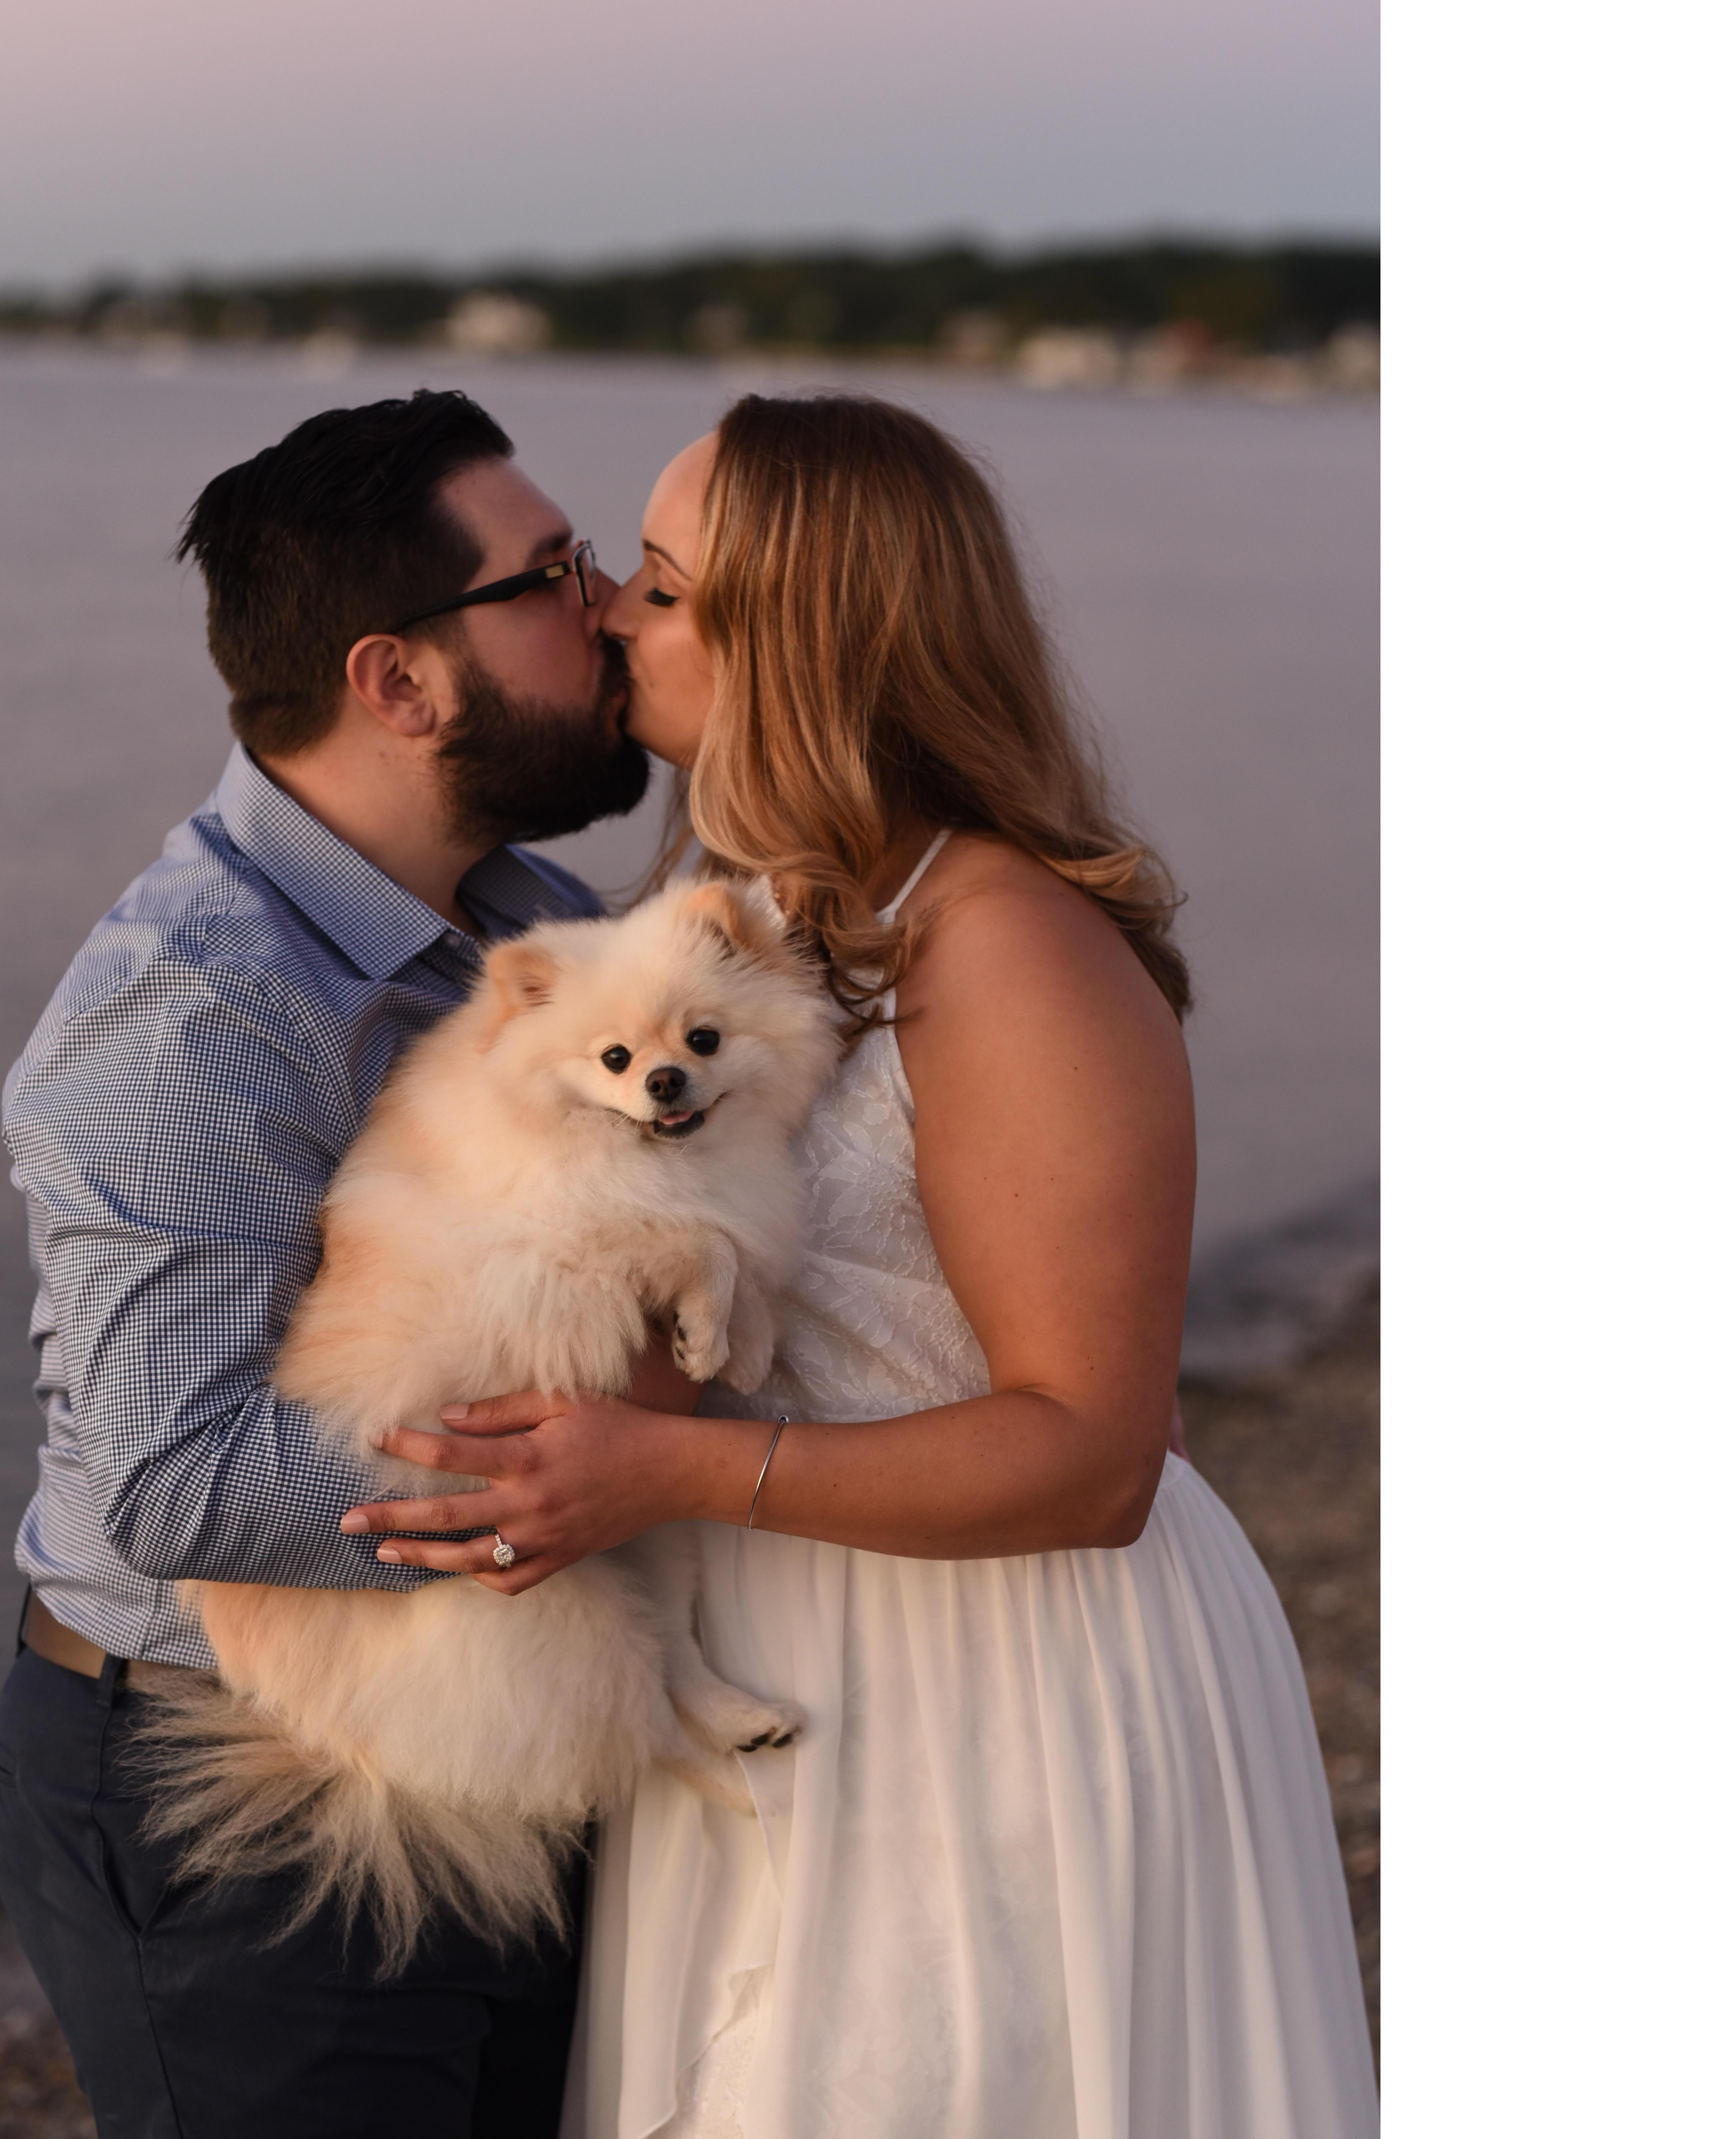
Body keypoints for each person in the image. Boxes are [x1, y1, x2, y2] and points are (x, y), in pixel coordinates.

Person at [342, 394, 1380, 2137]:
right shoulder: (755, 908)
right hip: (788, 1658)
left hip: (998, 1690)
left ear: (804, 643)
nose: (609, 612)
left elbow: (1103, 1454)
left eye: (662, 585)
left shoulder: (1009, 948)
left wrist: (663, 1467)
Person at [0, 388, 691, 2139]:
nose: (603, 609)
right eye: (551, 576)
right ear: (399, 681)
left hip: (472, 1722)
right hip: (238, 1793)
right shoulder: (198, 1007)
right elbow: (179, 1479)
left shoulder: (530, 929)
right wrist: (602, 1452)